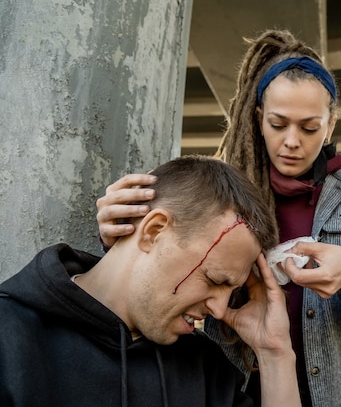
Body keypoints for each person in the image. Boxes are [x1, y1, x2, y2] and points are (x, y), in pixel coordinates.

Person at [94, 29, 341, 407]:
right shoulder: (219, 191)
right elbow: (154, 266)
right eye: (278, 124)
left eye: (309, 127)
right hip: (228, 389)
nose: (292, 141)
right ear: (258, 117)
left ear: (331, 125)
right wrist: (121, 232)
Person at [0, 155, 301, 407]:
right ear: (154, 231)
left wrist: (275, 354)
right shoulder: (10, 339)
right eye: (213, 279)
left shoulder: (207, 372)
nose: (220, 310)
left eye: (232, 291)